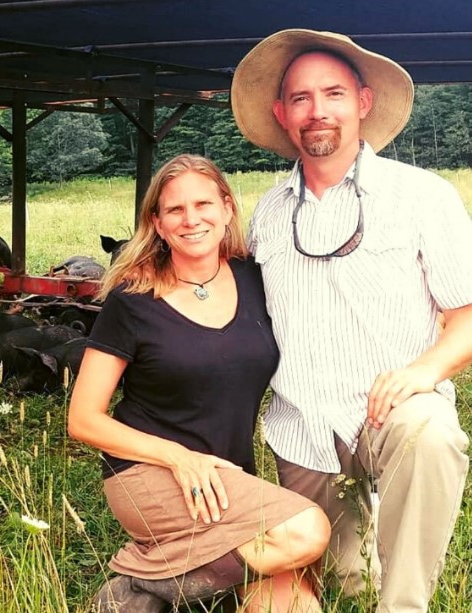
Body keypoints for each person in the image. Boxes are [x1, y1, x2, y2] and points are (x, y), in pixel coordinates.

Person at [231, 29, 472, 612]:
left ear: (362, 103)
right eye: (301, 98)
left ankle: (405, 606)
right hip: (305, 425)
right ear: (281, 114)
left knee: (431, 433)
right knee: (346, 581)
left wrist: (423, 372)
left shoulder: (422, 195)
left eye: (333, 94)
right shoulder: (266, 212)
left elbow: (467, 317)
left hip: (390, 411)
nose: (319, 111)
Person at [68, 153, 331, 612]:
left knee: (295, 605)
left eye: (204, 204)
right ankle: (155, 585)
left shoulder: (255, 280)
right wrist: (180, 457)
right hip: (149, 473)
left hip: (228, 479)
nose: (192, 219)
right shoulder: (132, 300)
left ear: (227, 209)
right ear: (158, 222)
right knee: (305, 530)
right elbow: (84, 420)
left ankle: (159, 586)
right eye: (175, 210)